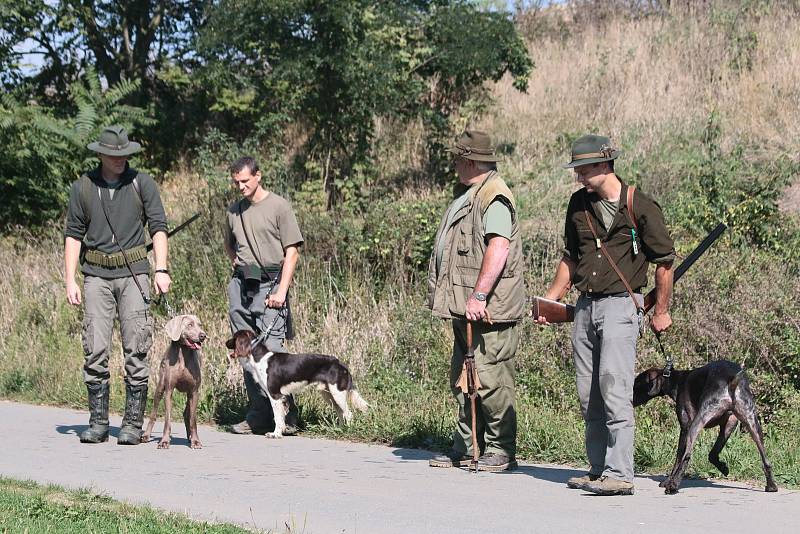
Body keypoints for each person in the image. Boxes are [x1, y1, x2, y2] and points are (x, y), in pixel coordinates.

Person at [536, 134, 675, 495]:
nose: (578, 176)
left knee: (614, 388)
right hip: (585, 307)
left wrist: (661, 310)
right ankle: (597, 468)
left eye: (583, 169)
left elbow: (664, 263)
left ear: (602, 165)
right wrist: (551, 301)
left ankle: (620, 473)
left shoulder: (640, 205)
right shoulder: (577, 205)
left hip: (619, 307)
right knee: (588, 393)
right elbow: (571, 257)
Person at [64, 125, 171, 445]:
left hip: (134, 273)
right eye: (114, 155)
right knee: (95, 348)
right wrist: (70, 279)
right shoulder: (83, 187)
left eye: (125, 154)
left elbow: (159, 227)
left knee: (137, 347)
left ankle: (132, 424)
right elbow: (73, 235)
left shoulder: (142, 183)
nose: (121, 160)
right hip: (95, 275)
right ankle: (98, 422)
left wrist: (161, 269)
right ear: (101, 154)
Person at [427, 130, 526, 472]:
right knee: (464, 378)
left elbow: (499, 247)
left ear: (468, 160)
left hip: (488, 309)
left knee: (491, 378)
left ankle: (500, 449)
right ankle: (467, 446)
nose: (454, 165)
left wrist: (479, 294)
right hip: (465, 307)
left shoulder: (494, 196)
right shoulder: (470, 193)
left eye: (457, 159)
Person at [224, 156, 303, 435]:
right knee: (245, 352)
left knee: (274, 353)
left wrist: (282, 291)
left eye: (245, 181)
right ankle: (258, 414)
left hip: (271, 285)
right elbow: (229, 244)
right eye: (236, 182)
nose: (241, 186)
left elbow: (292, 252)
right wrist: (236, 261)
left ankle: (287, 414)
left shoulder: (279, 206)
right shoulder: (234, 211)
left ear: (258, 176)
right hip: (242, 285)